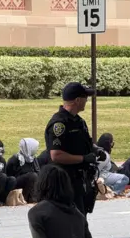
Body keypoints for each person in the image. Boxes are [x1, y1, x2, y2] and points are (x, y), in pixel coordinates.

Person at [44, 82, 105, 214]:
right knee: (72, 219)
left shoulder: (78, 121)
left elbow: (83, 143)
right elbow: (56, 155)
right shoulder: (59, 124)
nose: (87, 101)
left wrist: (95, 150)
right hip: (64, 180)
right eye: (85, 97)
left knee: (81, 217)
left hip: (80, 179)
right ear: (77, 100)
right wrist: (83, 159)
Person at [6, 138, 40, 202]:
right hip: (16, 183)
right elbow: (9, 176)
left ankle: (34, 197)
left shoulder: (33, 158)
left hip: (30, 184)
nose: (36, 149)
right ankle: (25, 198)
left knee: (36, 176)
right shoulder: (15, 159)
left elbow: (38, 171)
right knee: (32, 176)